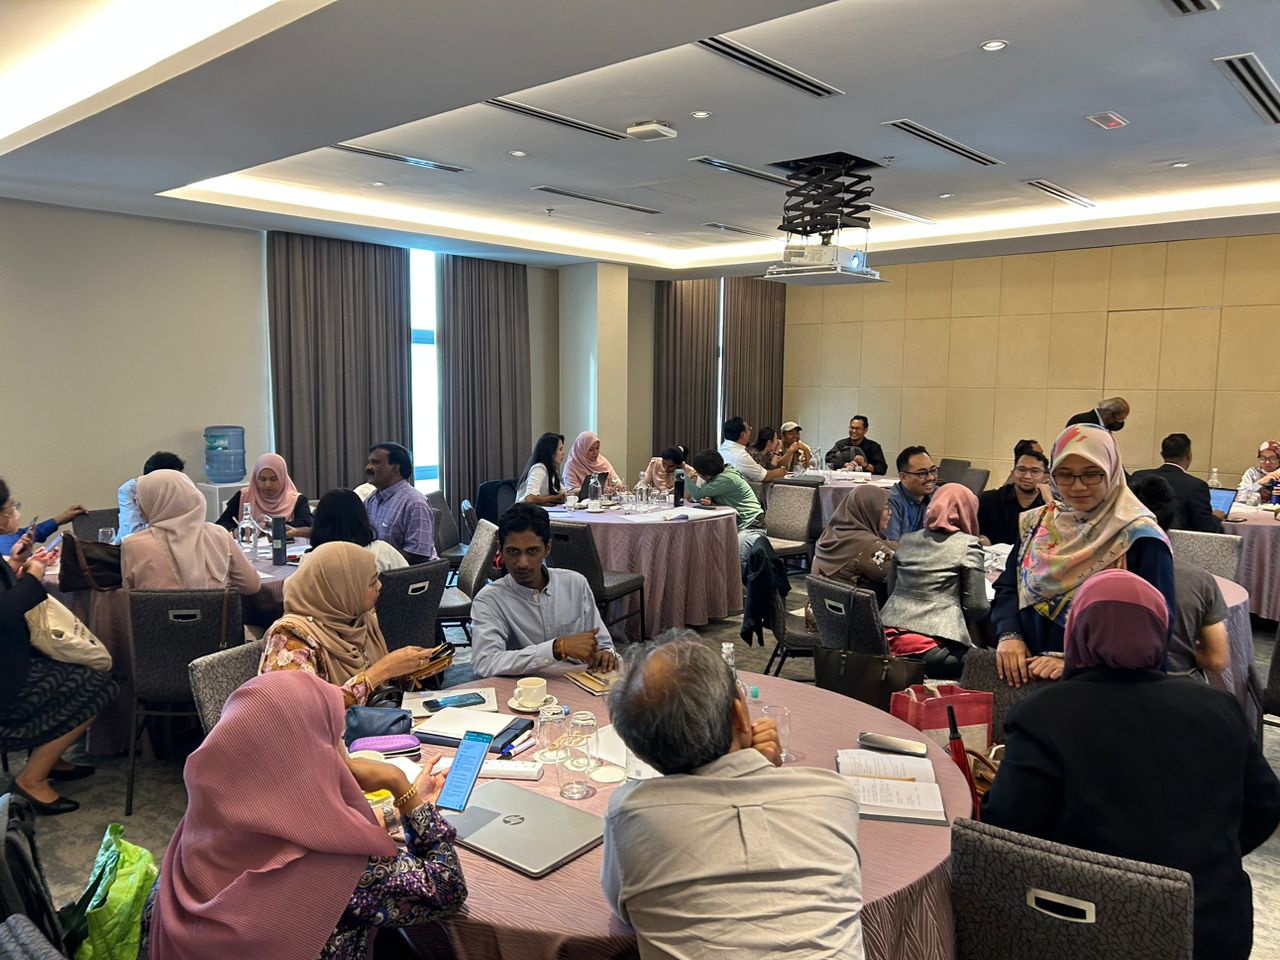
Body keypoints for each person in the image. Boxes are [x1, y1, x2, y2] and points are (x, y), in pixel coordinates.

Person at [983, 570, 1280, 960]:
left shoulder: (1044, 713)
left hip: (1089, 924)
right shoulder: (1218, 706)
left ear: (1077, 631)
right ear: (1160, 631)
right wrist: (1207, 855)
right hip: (1212, 924)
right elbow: (1265, 806)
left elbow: (1007, 824)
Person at [140, 670, 467, 960]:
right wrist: (401, 788)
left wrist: (395, 813)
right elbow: (446, 888)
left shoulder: (201, 828)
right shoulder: (338, 868)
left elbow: (306, 828)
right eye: (334, 738)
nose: (343, 751)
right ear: (307, 755)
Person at [602, 633, 864, 960]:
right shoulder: (834, 797)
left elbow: (626, 909)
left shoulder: (630, 814)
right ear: (740, 715)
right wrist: (760, 767)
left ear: (640, 751)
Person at [991, 425, 1174, 687]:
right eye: (1065, 475)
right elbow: (1009, 586)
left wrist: (1077, 662)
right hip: (1028, 674)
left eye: (1091, 474)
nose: (1078, 486)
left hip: (1105, 684)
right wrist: (1009, 634)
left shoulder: (1139, 537)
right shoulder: (1038, 523)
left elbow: (1155, 625)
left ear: (1111, 471)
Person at [0, 479, 116, 815]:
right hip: (7, 681)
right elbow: (4, 614)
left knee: (80, 668)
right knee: (99, 684)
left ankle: (49, 757)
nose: (15, 512)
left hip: (14, 661)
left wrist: (15, 565)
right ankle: (32, 779)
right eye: (10, 508)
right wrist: (33, 576)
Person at [259, 541, 436, 706]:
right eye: (371, 582)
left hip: (377, 721)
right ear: (341, 591)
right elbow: (302, 710)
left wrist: (405, 671)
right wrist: (383, 670)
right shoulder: (290, 637)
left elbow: (378, 689)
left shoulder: (359, 619)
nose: (379, 586)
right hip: (335, 730)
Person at [469, 503, 616, 678]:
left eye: (532, 551)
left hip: (576, 682)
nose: (523, 563)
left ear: (547, 548)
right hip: (521, 688)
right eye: (513, 552)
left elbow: (603, 643)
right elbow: (485, 663)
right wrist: (556, 648)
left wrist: (606, 653)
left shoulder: (575, 583)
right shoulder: (489, 600)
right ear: (500, 550)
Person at [880, 485, 987, 679]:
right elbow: (976, 607)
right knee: (995, 662)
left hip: (885, 638)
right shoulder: (968, 545)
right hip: (931, 648)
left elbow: (891, 590)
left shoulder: (907, 540)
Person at [1129, 475, 1229, 677]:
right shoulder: (1199, 580)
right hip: (1179, 684)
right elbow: (1216, 659)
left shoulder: (1094, 574)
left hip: (1104, 685)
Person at [122, 470, 261, 596]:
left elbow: (130, 598)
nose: (138, 506)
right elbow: (251, 586)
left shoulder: (133, 545)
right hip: (217, 616)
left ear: (155, 501)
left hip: (156, 616)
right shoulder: (218, 535)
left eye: (139, 500)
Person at [811, 485, 896, 604]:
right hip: (858, 612)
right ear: (870, 511)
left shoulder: (832, 533)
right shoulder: (868, 546)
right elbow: (901, 575)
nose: (890, 513)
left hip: (822, 609)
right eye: (886, 508)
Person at [1131, 433, 1222, 534]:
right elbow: (1206, 528)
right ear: (1189, 456)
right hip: (1178, 542)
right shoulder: (1197, 486)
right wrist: (1216, 518)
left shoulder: (1139, 476)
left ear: (1162, 454)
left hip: (1136, 537)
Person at [684, 450, 766, 560]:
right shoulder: (721, 475)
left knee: (736, 558)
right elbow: (712, 493)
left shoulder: (726, 478)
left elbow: (698, 494)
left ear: (706, 473)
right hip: (738, 523)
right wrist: (711, 500)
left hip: (751, 524)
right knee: (710, 546)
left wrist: (683, 475)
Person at [364, 442, 436, 564]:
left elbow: (418, 556)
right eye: (369, 462)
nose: (368, 468)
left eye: (375, 463)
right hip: (382, 568)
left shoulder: (415, 503)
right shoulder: (371, 499)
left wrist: (374, 558)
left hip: (408, 573)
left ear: (395, 469)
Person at [216, 453, 314, 537]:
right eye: (262, 479)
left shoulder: (297, 500)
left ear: (282, 478)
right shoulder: (243, 496)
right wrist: (235, 530)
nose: (268, 485)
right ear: (255, 478)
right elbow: (222, 523)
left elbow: (306, 526)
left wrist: (268, 526)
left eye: (273, 479)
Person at [310, 489, 408, 573]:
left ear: (319, 521)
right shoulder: (383, 551)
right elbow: (408, 579)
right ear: (362, 518)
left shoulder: (313, 561)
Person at [978, 448, 1050, 546]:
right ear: (1012, 473)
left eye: (1035, 471)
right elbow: (967, 533)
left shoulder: (1050, 504)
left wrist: (1050, 502)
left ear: (1045, 478)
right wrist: (979, 539)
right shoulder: (988, 500)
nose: (1027, 476)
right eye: (1021, 469)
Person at [116, 450, 185, 543]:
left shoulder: (181, 489)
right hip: (129, 547)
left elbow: (187, 527)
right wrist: (167, 527)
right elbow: (131, 533)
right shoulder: (130, 489)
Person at [0, 489, 85, 558]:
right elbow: (14, 568)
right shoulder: (3, 545)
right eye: (11, 508)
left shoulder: (13, 534)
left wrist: (60, 519)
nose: (15, 511)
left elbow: (33, 533)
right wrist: (34, 564)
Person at [718, 417, 797, 483]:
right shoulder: (742, 455)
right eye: (749, 429)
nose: (750, 431)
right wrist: (780, 472)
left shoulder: (721, 449)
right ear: (742, 435)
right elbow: (764, 476)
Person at [885, 446, 937, 540]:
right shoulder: (891, 501)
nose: (931, 477)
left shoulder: (939, 496)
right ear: (903, 477)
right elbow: (891, 544)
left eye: (933, 471)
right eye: (922, 473)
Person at [516, 432, 567, 505]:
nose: (563, 453)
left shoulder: (551, 470)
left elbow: (563, 492)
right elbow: (529, 498)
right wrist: (554, 498)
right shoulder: (539, 469)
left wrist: (580, 492)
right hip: (523, 511)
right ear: (550, 451)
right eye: (560, 449)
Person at [1065, 396, 1129, 431]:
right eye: (1117, 419)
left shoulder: (1108, 425)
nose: (1115, 422)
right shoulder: (1079, 421)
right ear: (1108, 412)